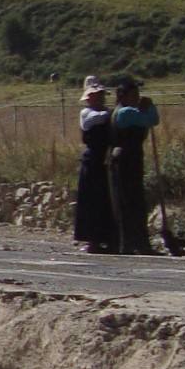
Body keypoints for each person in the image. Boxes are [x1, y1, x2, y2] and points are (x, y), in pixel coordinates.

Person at [106, 78, 160, 255]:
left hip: (127, 158)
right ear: (123, 96)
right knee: (130, 201)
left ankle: (132, 242)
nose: (138, 97)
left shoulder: (122, 111)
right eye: (134, 94)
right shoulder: (126, 112)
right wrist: (150, 106)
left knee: (130, 201)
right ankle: (133, 243)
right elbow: (152, 119)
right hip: (126, 160)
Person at [73, 76, 116, 253]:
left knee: (105, 200)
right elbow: (95, 120)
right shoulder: (87, 113)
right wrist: (110, 113)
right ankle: (92, 240)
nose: (99, 98)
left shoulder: (107, 113)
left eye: (101, 95)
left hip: (105, 160)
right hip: (92, 161)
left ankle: (108, 238)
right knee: (91, 201)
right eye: (95, 95)